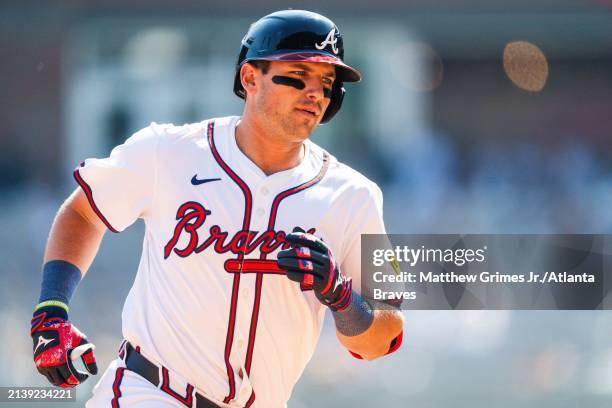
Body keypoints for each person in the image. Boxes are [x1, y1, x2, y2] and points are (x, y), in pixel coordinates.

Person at [30, 9, 404, 408]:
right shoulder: (168, 151)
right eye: (297, 76)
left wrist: (342, 297)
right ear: (250, 78)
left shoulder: (353, 195)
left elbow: (385, 336)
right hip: (151, 391)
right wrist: (51, 310)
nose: (314, 93)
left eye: (327, 84)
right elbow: (84, 212)